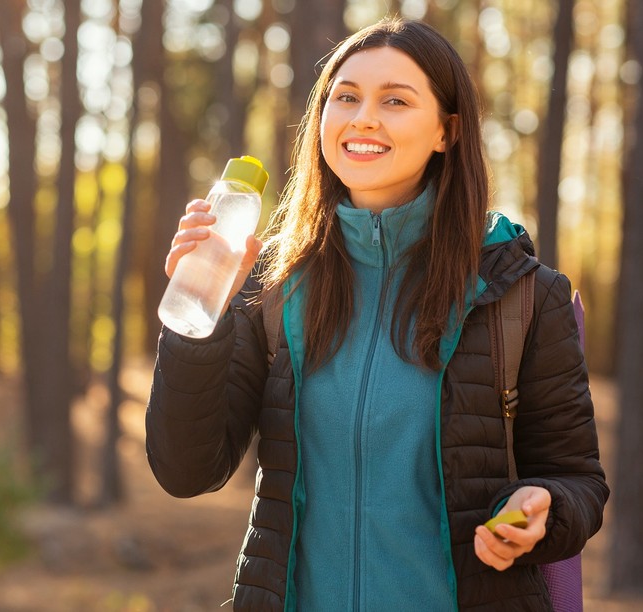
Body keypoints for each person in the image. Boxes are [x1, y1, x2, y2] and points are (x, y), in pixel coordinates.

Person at [146, 17, 609, 611]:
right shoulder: (274, 287)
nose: (364, 117)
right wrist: (198, 317)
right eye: (346, 97)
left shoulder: (520, 295)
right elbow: (186, 472)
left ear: (447, 131)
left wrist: (545, 508)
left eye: (395, 100)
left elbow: (579, 481)